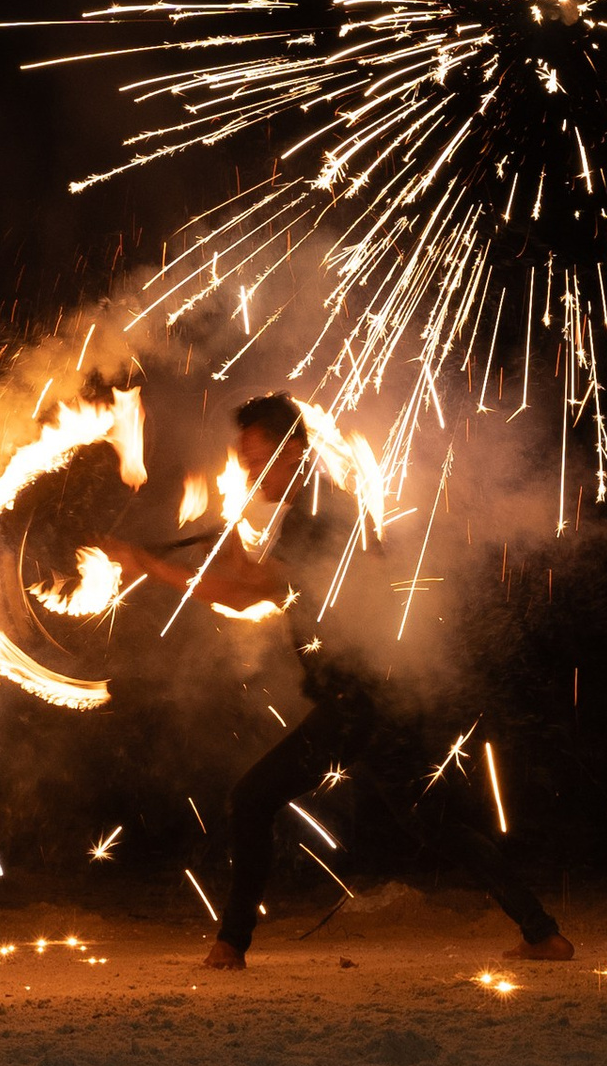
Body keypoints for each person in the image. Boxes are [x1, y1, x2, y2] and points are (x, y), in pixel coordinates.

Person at [101, 392, 575, 972]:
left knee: (250, 799)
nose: (249, 473)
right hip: (379, 696)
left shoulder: (316, 515)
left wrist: (149, 565)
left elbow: (249, 594)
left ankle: (231, 944)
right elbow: (268, 579)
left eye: (258, 460)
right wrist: (234, 546)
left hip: (356, 701)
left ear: (294, 450)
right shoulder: (329, 507)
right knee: (433, 822)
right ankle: (541, 933)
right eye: (245, 463)